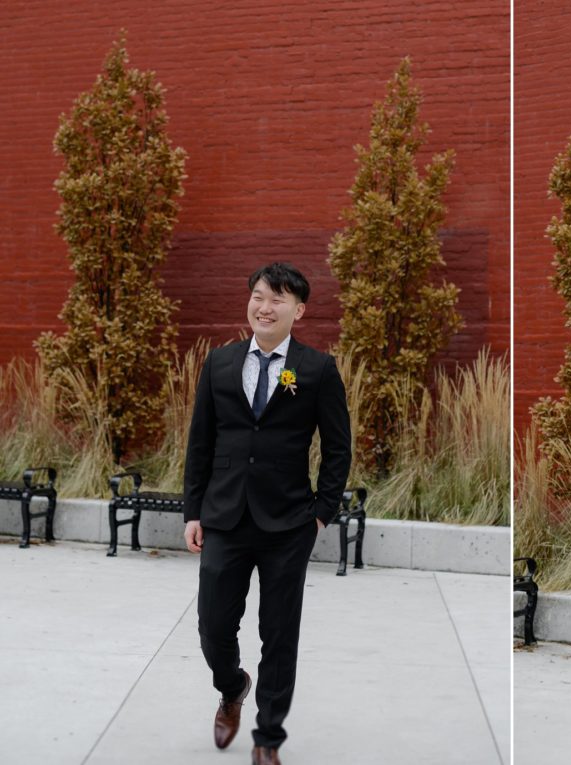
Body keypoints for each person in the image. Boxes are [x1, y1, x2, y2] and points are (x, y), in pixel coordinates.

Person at [183, 262, 352, 765]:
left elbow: (338, 449)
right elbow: (201, 443)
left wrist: (321, 514)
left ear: (299, 310)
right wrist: (194, 510)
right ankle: (232, 685)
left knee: (279, 633)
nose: (265, 306)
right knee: (213, 625)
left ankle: (267, 737)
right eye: (259, 295)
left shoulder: (317, 369)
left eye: (278, 298)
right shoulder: (219, 363)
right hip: (225, 518)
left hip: (287, 525)